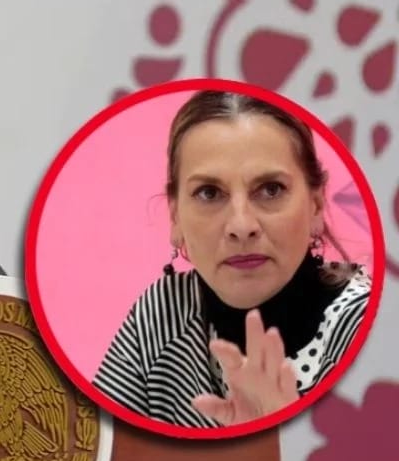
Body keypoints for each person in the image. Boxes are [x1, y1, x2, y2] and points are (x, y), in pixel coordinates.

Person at [91, 90, 372, 429]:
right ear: (175, 216)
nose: (241, 226)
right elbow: (88, 445)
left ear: (315, 205)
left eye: (270, 189)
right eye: (209, 193)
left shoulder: (370, 327)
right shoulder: (160, 314)